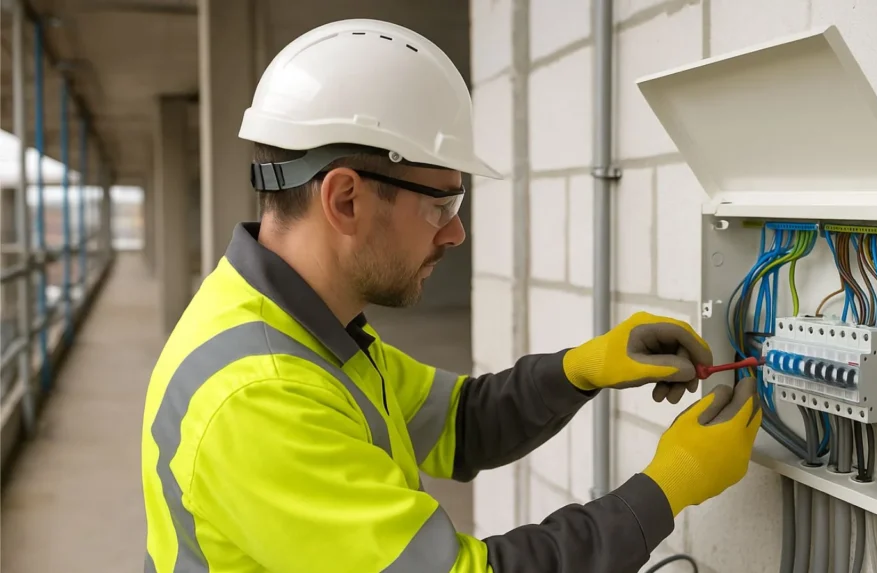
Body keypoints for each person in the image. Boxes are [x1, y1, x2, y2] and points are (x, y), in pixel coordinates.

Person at [140, 18, 761, 573]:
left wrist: (581, 369)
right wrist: (669, 485)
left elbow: (459, 425)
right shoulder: (261, 395)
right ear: (345, 198)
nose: (456, 232)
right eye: (440, 203)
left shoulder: (297, 323)